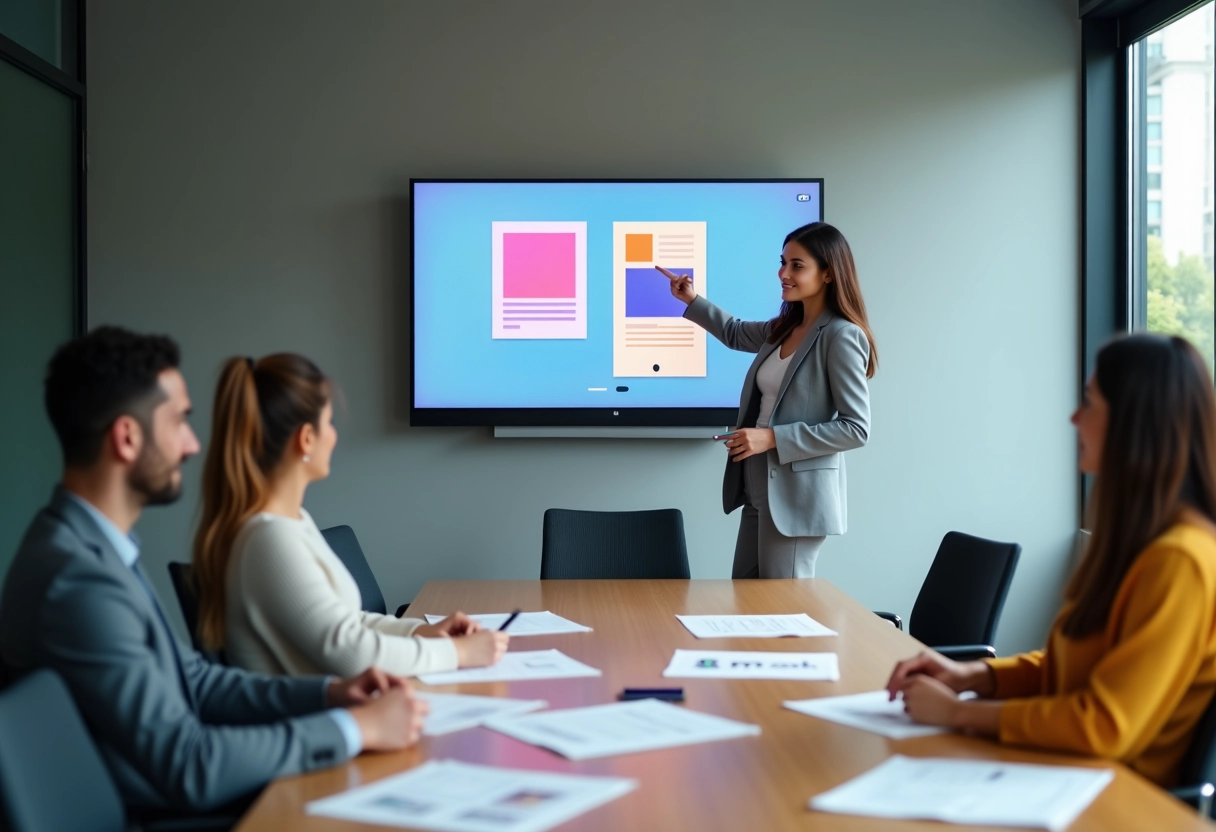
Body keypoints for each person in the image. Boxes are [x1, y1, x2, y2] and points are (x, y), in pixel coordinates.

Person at [0, 326, 427, 817]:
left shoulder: (93, 550)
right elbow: (189, 764)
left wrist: (332, 693)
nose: (193, 444)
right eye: (180, 421)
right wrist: (357, 729)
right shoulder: (77, 582)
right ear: (127, 437)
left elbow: (195, 682)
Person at [886, 333, 1216, 788]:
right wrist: (971, 676)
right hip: (1068, 776)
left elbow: (1103, 726)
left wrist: (960, 712)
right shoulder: (1143, 542)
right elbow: (1069, 667)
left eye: (1089, 402)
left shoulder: (1181, 562)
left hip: (1113, 800)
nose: (1074, 417)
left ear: (1132, 424)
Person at [192, 353, 509, 678]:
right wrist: (456, 653)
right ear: (306, 439)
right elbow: (347, 650)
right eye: (329, 423)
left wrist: (419, 632)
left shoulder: (290, 522)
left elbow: (346, 621)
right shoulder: (268, 539)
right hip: (315, 723)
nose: (334, 435)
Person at [658, 221, 877, 578]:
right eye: (783, 262)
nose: (783, 273)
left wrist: (772, 437)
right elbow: (733, 332)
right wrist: (691, 299)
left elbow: (855, 429)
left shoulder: (841, 336)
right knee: (745, 596)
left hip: (796, 494)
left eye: (796, 265)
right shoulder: (784, 328)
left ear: (827, 274)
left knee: (782, 610)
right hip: (758, 481)